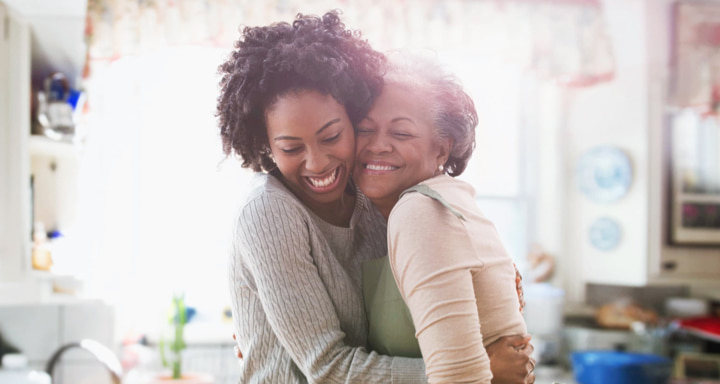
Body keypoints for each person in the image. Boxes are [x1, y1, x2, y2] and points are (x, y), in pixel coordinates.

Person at [218, 11, 534, 383]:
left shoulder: (376, 198)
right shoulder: (267, 210)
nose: (317, 163)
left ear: (352, 119)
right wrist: (477, 370)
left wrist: (492, 279)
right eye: (291, 148)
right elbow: (328, 368)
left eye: (332, 136)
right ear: (266, 145)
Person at [352, 53, 530, 384]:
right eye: (364, 129)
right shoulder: (436, 200)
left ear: (441, 150)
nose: (377, 145)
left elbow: (458, 379)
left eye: (401, 133)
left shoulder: (421, 211)